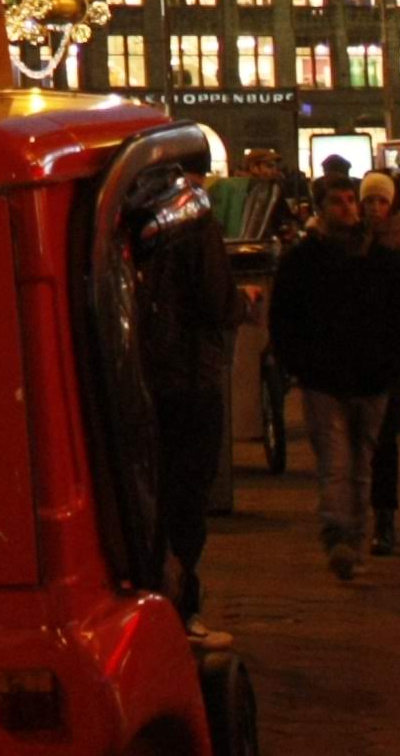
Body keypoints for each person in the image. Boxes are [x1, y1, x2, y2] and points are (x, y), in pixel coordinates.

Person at [266, 158, 400, 581]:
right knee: (335, 461)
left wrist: (391, 365)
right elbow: (285, 317)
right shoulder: (305, 259)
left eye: (352, 200)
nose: (349, 208)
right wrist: (299, 365)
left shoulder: (379, 258)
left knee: (362, 463)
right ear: (322, 208)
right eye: (339, 202)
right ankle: (338, 536)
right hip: (324, 377)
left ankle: (357, 537)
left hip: (371, 377)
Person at [134, 176, 240, 615]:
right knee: (188, 494)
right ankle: (180, 600)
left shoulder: (133, 224)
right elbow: (218, 302)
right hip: (191, 380)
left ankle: (157, 586)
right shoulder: (197, 226)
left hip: (141, 382)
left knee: (151, 493)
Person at [358, 173, 400, 552]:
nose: (375, 208)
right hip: (355, 357)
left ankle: (385, 517)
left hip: (389, 358)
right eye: (370, 201)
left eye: (382, 201)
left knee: (383, 443)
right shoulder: (351, 244)